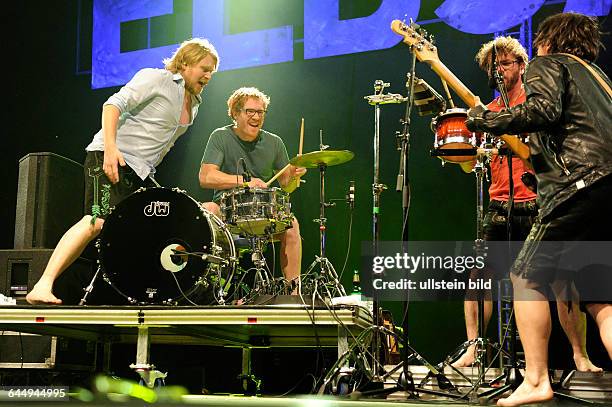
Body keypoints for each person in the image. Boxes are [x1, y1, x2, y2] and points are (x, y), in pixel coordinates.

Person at [466, 13, 612, 406]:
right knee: (600, 297)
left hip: (579, 186)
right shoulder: (599, 77)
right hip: (607, 189)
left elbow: (541, 111)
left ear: (548, 40)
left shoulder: (550, 63)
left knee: (525, 277)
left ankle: (535, 381)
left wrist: (486, 119)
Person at [26, 38, 219, 305]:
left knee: (163, 223)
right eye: (204, 68)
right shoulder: (157, 79)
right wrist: (110, 150)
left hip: (139, 171)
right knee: (95, 221)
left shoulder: (194, 103)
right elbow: (113, 105)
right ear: (185, 63)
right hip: (110, 157)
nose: (208, 76)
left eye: (212, 71)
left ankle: (153, 294)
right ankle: (43, 284)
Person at [199, 87, 306, 290]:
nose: (256, 117)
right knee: (208, 209)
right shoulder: (220, 136)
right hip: (228, 213)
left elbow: (287, 185)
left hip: (263, 215)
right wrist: (246, 182)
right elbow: (206, 177)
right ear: (235, 113)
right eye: (250, 112)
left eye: (260, 112)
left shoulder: (275, 142)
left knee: (292, 224)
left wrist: (294, 175)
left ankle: (294, 293)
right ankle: (206, 288)